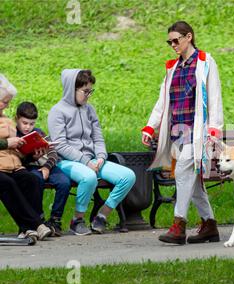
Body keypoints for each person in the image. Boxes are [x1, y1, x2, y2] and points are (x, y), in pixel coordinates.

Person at [141, 21, 224, 245]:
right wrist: (151, 126)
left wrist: (214, 129)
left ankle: (179, 225)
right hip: (177, 131)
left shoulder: (205, 62)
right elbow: (162, 100)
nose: (172, 45)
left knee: (182, 173)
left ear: (189, 37)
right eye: (169, 42)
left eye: (176, 40)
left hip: (197, 131)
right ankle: (209, 225)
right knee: (193, 181)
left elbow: (214, 96)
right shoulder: (172, 67)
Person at [48, 69, 136, 235]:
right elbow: (60, 145)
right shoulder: (57, 111)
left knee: (128, 176)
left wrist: (101, 157)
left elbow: (98, 138)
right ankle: (77, 220)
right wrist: (86, 161)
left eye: (91, 91)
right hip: (67, 162)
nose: (89, 95)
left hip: (93, 160)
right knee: (88, 177)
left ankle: (102, 215)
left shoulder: (90, 110)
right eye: (85, 91)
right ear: (71, 89)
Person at [0, 74, 52, 243]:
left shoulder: (6, 120)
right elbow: (7, 144)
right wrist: (7, 142)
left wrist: (32, 153)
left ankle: (26, 229)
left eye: (7, 102)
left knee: (31, 180)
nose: (6, 105)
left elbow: (16, 151)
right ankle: (36, 224)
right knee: (7, 184)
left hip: (14, 165)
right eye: (4, 101)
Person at [15, 101, 71, 236]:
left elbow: (53, 153)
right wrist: (32, 158)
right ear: (16, 119)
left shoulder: (38, 133)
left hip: (47, 167)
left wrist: (46, 167)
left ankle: (55, 220)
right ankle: (38, 218)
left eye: (31, 123)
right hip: (29, 168)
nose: (28, 127)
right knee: (36, 180)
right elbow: (16, 160)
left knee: (64, 182)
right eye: (25, 123)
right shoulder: (14, 135)